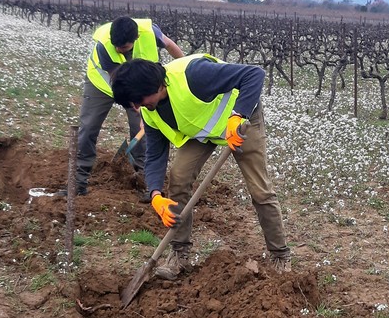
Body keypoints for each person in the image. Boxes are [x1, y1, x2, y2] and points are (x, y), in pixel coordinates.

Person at [110, 54, 292, 277]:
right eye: (133, 104)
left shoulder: (194, 75)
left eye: (139, 100)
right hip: (201, 132)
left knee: (259, 190)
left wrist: (238, 115)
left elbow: (254, 74)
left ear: (155, 86)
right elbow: (155, 155)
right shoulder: (150, 112)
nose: (138, 108)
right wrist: (155, 194)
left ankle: (280, 256)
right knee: (178, 177)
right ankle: (179, 255)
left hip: (240, 123)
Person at [61, 16, 184, 196]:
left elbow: (171, 45)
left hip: (136, 85)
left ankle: (144, 181)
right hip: (101, 83)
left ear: (135, 39)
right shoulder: (104, 45)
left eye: (124, 47)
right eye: (116, 45)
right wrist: (140, 110)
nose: (118, 49)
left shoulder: (150, 32)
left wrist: (185, 65)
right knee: (88, 128)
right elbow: (122, 86)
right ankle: (78, 182)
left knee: (144, 131)